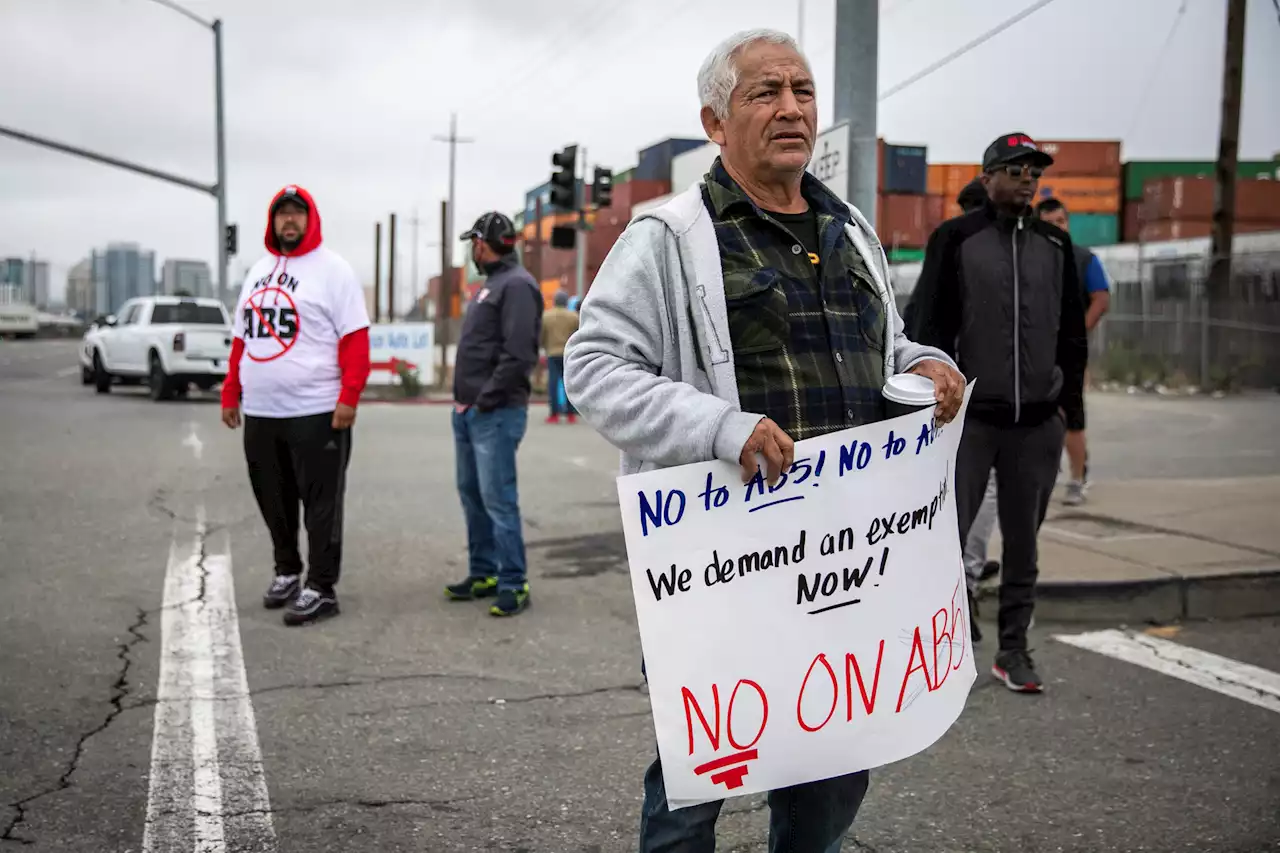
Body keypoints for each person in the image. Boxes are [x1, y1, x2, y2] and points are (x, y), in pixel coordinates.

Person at [564, 29, 964, 853]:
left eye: (803, 91)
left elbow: (882, 347)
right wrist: (720, 426)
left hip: (844, 555)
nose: (791, 109)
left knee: (833, 760)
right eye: (764, 93)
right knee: (700, 777)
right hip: (727, 557)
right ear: (715, 122)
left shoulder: (849, 227)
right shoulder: (669, 236)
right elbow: (595, 366)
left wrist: (926, 363)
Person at [911, 133, 1088, 693]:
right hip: (971, 422)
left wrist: (1067, 410)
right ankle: (950, 643)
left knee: (1024, 544)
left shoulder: (1055, 248)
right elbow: (925, 328)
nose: (1026, 180)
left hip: (1036, 423)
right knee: (947, 535)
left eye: (1034, 171)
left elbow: (1073, 338)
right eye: (1013, 170)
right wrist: (924, 408)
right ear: (986, 178)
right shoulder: (955, 239)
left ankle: (1014, 649)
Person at [221, 185, 371, 626]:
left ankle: (322, 587)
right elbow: (241, 339)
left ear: (311, 219)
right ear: (272, 220)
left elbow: (355, 339)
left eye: (297, 213)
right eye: (282, 213)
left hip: (317, 410)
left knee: (321, 505)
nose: (290, 220)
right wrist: (232, 391)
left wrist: (349, 397)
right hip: (263, 413)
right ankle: (287, 569)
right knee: (274, 499)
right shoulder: (258, 272)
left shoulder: (333, 270)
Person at [444, 211, 543, 617]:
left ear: (485, 243)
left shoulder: (517, 285)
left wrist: (485, 399)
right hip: (470, 411)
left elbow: (519, 354)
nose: (472, 250)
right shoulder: (492, 285)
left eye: (474, 242)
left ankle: (513, 581)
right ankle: (484, 571)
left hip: (495, 412)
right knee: (472, 495)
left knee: (498, 499)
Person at [1035, 197, 1111, 505]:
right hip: (1036, 355)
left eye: (1061, 221)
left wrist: (1077, 333)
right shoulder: (1029, 260)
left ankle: (1078, 479)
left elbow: (1101, 299)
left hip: (1069, 355)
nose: (1057, 228)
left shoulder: (1084, 259)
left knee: (1072, 418)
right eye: (1049, 222)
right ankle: (1041, 476)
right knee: (1038, 419)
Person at [541, 290, 580, 424]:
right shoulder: (574, 316)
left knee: (553, 383)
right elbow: (578, 334)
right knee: (568, 383)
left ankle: (554, 414)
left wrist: (545, 346)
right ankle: (570, 413)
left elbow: (542, 335)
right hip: (568, 354)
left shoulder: (546, 316)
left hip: (552, 352)